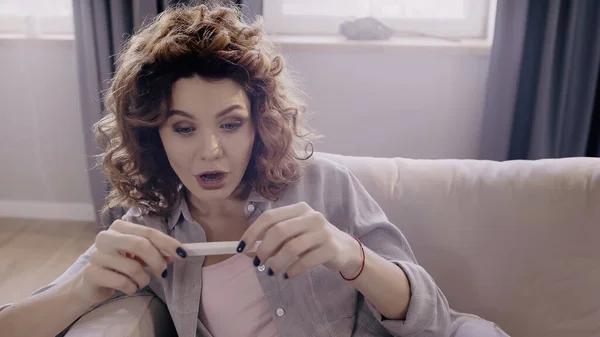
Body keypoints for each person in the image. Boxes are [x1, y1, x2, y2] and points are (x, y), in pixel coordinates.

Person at [0, 4, 509, 337]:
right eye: (184, 128)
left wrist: (347, 254)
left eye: (231, 123)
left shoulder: (323, 184)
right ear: (153, 135)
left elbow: (433, 321)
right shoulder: (146, 228)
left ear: (260, 124)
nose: (211, 151)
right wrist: (84, 286)